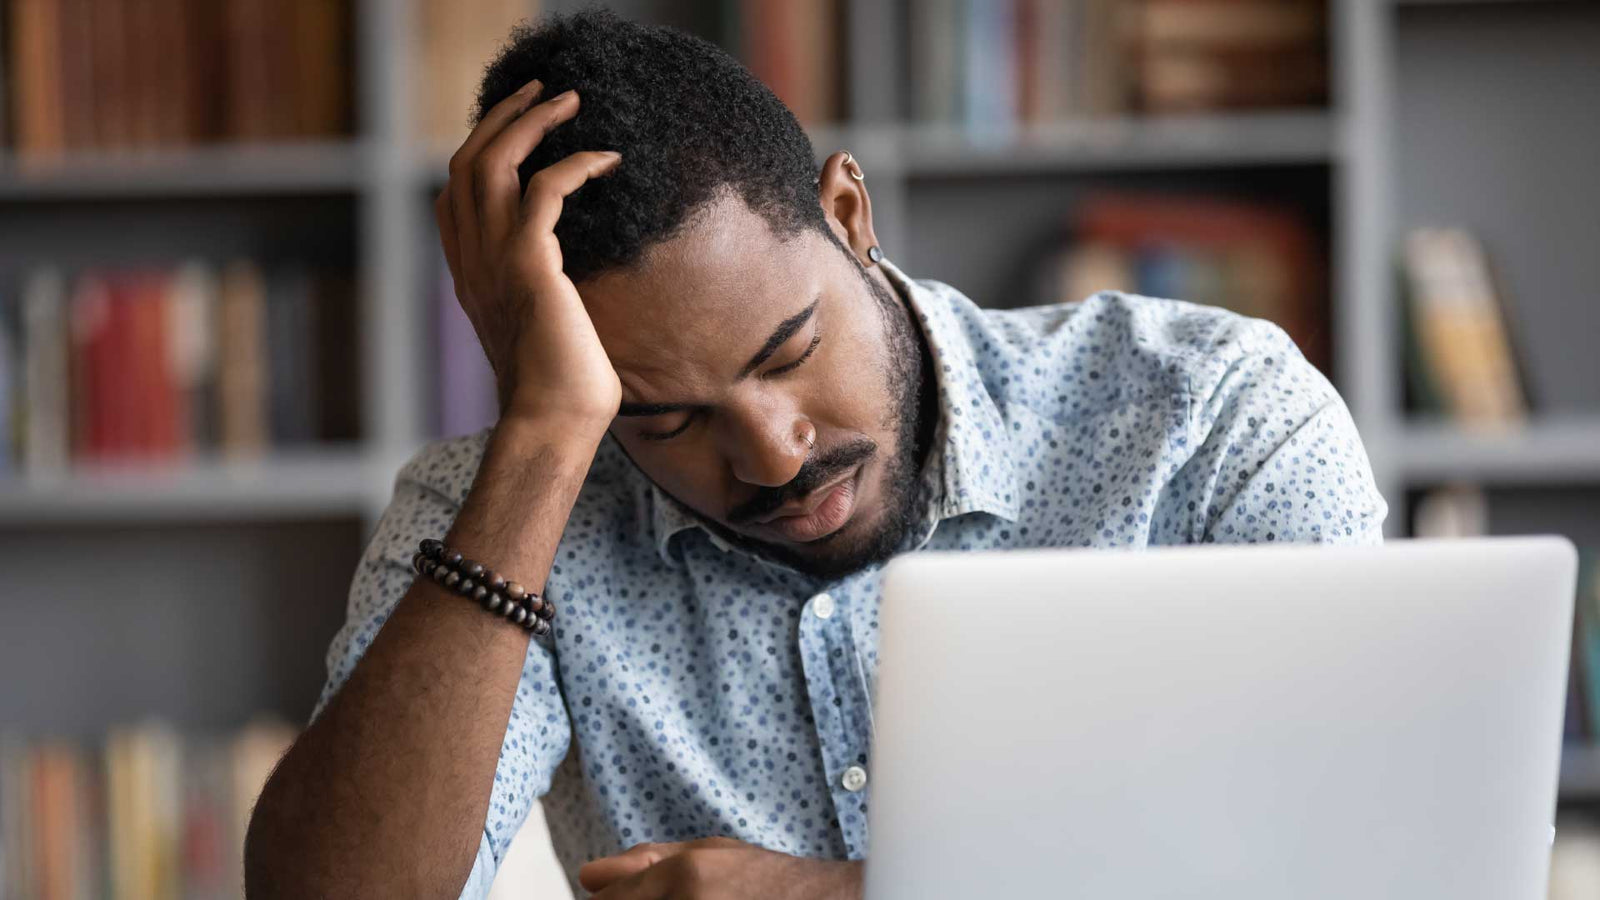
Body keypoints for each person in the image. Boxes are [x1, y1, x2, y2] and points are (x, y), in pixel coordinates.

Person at [243, 8, 1387, 899]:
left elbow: (1386, 850)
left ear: (847, 212)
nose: (773, 454)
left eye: (788, 351)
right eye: (665, 417)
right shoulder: (500, 504)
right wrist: (544, 436)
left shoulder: (1207, 413)